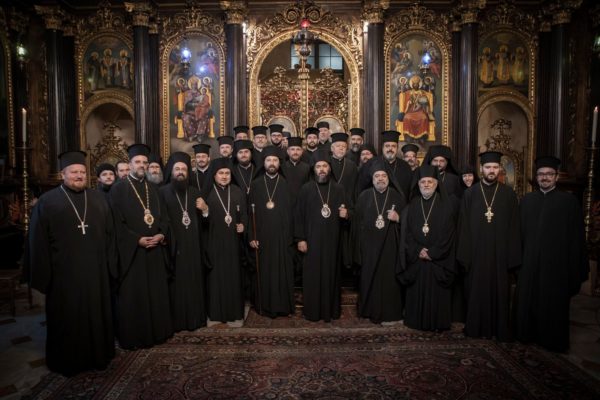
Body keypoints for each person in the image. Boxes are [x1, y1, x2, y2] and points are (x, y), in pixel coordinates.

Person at [28, 150, 116, 376]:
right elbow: (37, 241)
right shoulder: (47, 202)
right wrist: (44, 276)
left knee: (96, 314)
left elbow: (110, 235)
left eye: (82, 172)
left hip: (96, 272)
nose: (79, 176)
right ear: (62, 174)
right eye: (74, 172)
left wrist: (110, 266)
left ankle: (98, 356)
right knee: (68, 317)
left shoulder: (98, 199)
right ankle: (68, 361)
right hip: (63, 275)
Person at [514, 156, 588, 352]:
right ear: (536, 177)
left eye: (549, 174)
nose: (545, 177)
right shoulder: (527, 201)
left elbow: (576, 238)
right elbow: (518, 234)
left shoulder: (569, 202)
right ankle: (527, 334)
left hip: (557, 266)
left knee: (553, 302)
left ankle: (552, 340)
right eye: (541, 174)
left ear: (556, 176)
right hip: (529, 263)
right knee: (529, 299)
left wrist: (574, 267)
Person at [109, 143, 173, 349]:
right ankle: (136, 337)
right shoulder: (118, 190)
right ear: (130, 164)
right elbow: (116, 223)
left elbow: (165, 217)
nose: (142, 165)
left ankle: (158, 333)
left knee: (155, 293)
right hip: (133, 253)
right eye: (138, 162)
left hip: (155, 250)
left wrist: (161, 234)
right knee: (135, 295)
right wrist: (136, 239)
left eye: (145, 162)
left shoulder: (154, 189)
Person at [457, 151, 521, 341]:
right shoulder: (470, 194)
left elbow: (514, 227)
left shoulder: (509, 194)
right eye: (488, 167)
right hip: (476, 254)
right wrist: (465, 255)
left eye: (495, 167)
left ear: (499, 168)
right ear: (481, 169)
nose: (491, 170)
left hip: (500, 255)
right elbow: (463, 227)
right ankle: (475, 328)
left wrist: (512, 257)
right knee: (476, 291)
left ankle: (499, 329)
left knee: (500, 292)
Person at [400, 165, 456, 331]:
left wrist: (432, 253)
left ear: (436, 184)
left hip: (437, 261)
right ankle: (415, 321)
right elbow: (407, 233)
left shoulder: (446, 206)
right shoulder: (412, 205)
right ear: (418, 185)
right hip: (417, 259)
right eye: (423, 182)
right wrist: (418, 250)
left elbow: (449, 234)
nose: (426, 185)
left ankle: (438, 322)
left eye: (430, 182)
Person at [294, 152, 349, 322]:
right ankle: (312, 311)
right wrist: (300, 239)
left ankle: (331, 311)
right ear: (314, 169)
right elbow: (298, 215)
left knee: (331, 275)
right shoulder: (306, 189)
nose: (322, 169)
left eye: (325, 166)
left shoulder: (339, 189)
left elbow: (349, 213)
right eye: (318, 166)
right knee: (312, 276)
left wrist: (346, 214)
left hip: (333, 242)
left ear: (330, 169)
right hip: (311, 242)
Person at [352, 159, 406, 323]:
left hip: (391, 248)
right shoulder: (364, 196)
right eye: (377, 176)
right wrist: (358, 249)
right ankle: (369, 310)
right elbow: (356, 225)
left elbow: (409, 223)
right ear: (372, 179)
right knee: (369, 278)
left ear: (388, 177)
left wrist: (399, 218)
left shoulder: (397, 196)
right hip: (368, 248)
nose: (380, 179)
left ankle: (391, 312)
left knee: (389, 281)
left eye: (383, 175)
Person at [159, 152, 207, 332]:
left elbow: (204, 222)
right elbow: (161, 220)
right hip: (174, 246)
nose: (180, 172)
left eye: (183, 169)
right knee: (177, 284)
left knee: (194, 281)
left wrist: (205, 210)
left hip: (193, 245)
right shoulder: (162, 192)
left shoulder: (194, 192)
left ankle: (196, 319)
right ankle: (178, 321)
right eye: (177, 169)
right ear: (171, 172)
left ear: (188, 172)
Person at [248, 146, 295, 317]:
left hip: (282, 238)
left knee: (282, 272)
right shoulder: (255, 185)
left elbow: (292, 213)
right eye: (268, 160)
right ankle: (265, 305)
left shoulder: (286, 184)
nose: (272, 163)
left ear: (279, 163)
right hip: (262, 237)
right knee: (265, 272)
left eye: (275, 160)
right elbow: (249, 214)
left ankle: (282, 306)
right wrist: (251, 236)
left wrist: (290, 237)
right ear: (264, 163)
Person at [200, 158, 247, 324]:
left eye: (227, 173)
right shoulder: (207, 193)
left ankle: (234, 311)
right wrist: (205, 211)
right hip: (214, 242)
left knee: (234, 276)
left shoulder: (237, 191)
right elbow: (201, 223)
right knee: (216, 278)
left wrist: (243, 225)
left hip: (234, 242)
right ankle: (217, 312)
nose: (225, 176)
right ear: (214, 175)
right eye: (221, 173)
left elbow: (245, 214)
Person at [358, 131, 413, 201]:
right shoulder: (370, 164)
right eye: (387, 146)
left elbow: (408, 193)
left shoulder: (405, 167)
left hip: (398, 205)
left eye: (393, 146)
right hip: (374, 204)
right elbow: (361, 189)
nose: (390, 149)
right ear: (382, 148)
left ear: (397, 148)